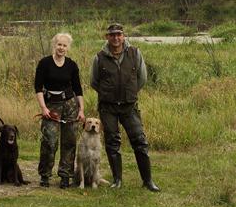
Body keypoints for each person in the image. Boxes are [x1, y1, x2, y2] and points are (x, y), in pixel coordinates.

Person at [90, 23, 160, 192]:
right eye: (112, 35)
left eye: (119, 34)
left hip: (129, 106)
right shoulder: (99, 57)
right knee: (112, 143)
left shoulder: (135, 53)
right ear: (107, 37)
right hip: (108, 107)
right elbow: (94, 82)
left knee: (140, 141)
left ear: (123, 36)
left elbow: (142, 78)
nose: (116, 38)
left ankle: (148, 181)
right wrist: (110, 94)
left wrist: (129, 93)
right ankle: (117, 180)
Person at [35, 33, 85, 189]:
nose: (61, 48)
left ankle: (65, 175)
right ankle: (45, 175)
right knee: (49, 141)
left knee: (69, 141)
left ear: (68, 48)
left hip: (70, 104)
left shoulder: (72, 65)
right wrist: (43, 107)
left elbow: (78, 89)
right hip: (51, 104)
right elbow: (38, 87)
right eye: (59, 45)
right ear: (54, 45)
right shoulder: (44, 63)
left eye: (64, 45)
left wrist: (81, 109)